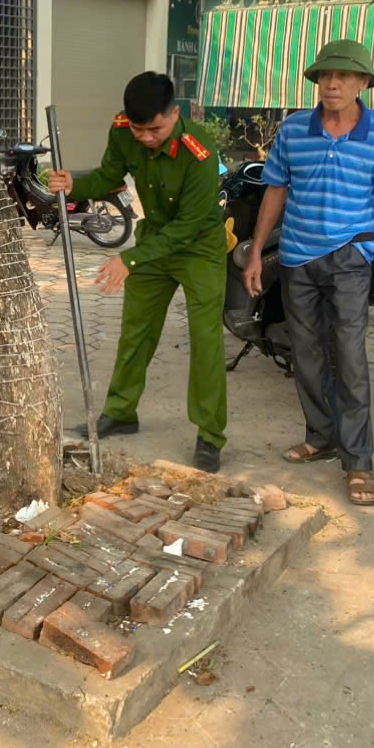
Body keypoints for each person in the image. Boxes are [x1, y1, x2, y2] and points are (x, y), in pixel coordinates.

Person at [241, 39, 374, 507]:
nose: (331, 84)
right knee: (306, 352)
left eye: (342, 76)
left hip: (350, 257)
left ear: (362, 83)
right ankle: (322, 436)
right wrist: (256, 253)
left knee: (349, 355)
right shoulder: (295, 129)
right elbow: (275, 191)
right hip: (297, 257)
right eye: (323, 76)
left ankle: (358, 461)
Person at [48, 71, 227, 472]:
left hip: (199, 246)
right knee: (135, 331)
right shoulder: (123, 130)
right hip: (154, 242)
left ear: (174, 113)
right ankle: (121, 412)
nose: (145, 137)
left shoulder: (200, 151)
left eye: (155, 129)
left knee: (206, 341)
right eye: (138, 129)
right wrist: (71, 185)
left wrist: (128, 259)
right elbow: (109, 177)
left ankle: (210, 435)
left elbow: (189, 225)